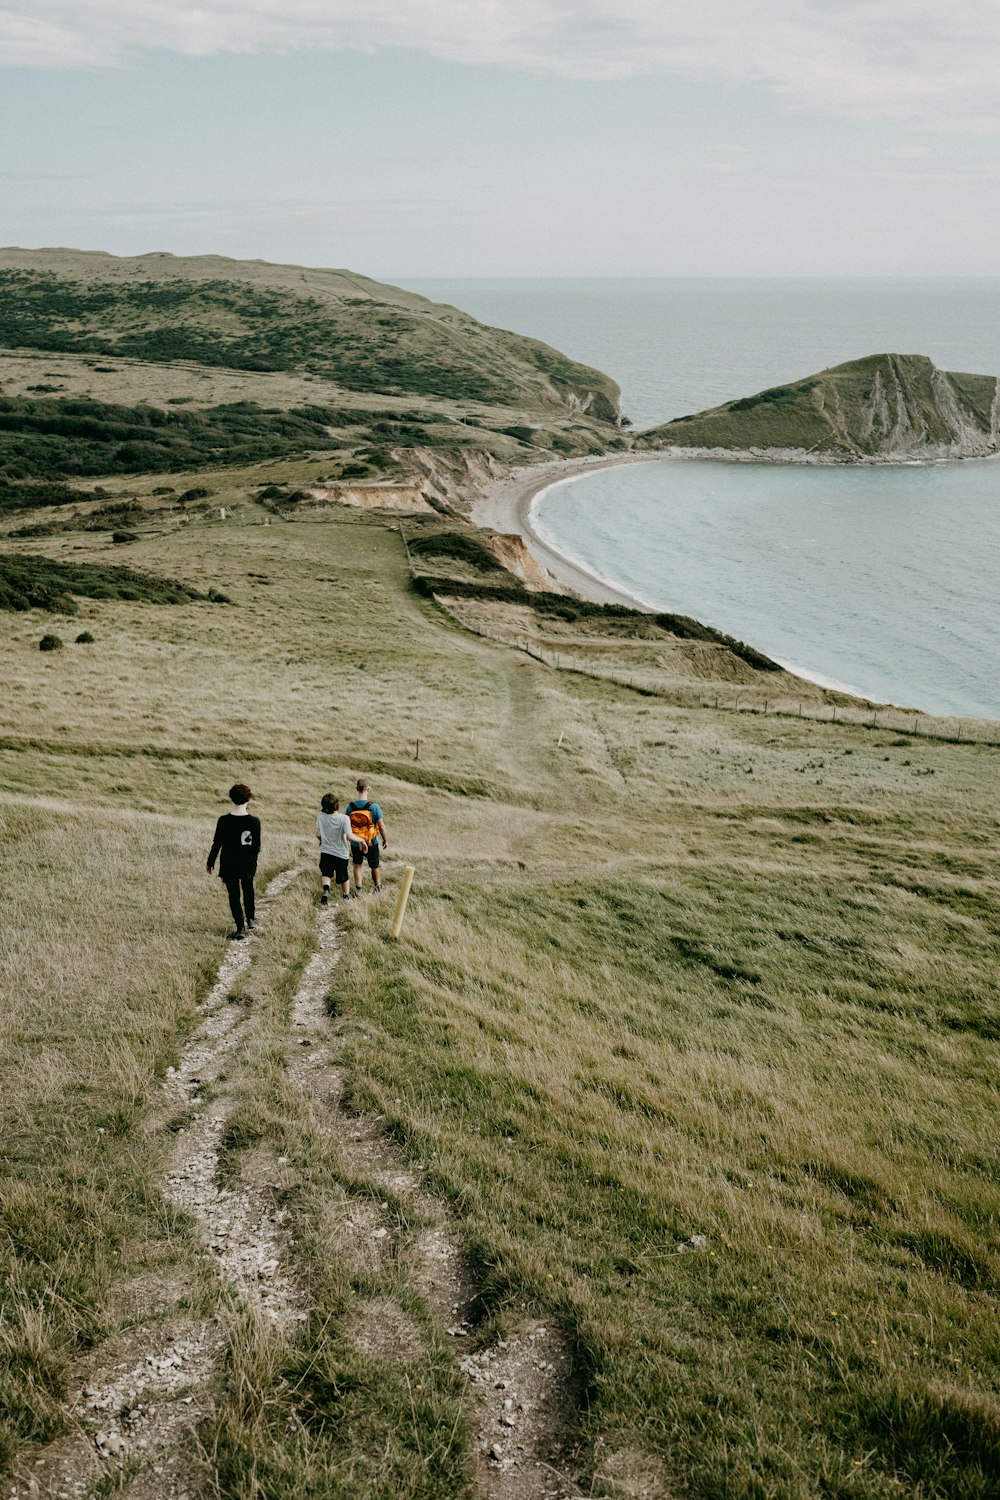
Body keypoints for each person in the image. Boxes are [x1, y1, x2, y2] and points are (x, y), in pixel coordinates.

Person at [206, 783, 261, 940]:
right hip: (247, 863)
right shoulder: (254, 822)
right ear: (248, 799)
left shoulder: (223, 821)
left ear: (232, 798)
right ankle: (251, 919)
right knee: (248, 889)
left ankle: (240, 927)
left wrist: (210, 862)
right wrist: (253, 862)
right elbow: (256, 847)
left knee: (233, 895)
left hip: (229, 863)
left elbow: (217, 843)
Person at [315, 792, 366, 903]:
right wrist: (362, 840)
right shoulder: (344, 819)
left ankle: (326, 890)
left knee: (326, 873)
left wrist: (322, 841)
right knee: (343, 876)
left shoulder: (321, 816)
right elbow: (350, 836)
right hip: (341, 853)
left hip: (326, 851)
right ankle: (345, 896)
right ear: (336, 805)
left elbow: (318, 834)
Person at [345, 777, 389, 895]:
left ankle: (359, 889)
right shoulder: (374, 807)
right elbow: (381, 826)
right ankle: (378, 886)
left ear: (357, 789)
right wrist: (385, 840)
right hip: (371, 842)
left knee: (357, 865)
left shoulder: (350, 807)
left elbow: (347, 827)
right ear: (368, 789)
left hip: (356, 842)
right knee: (374, 865)